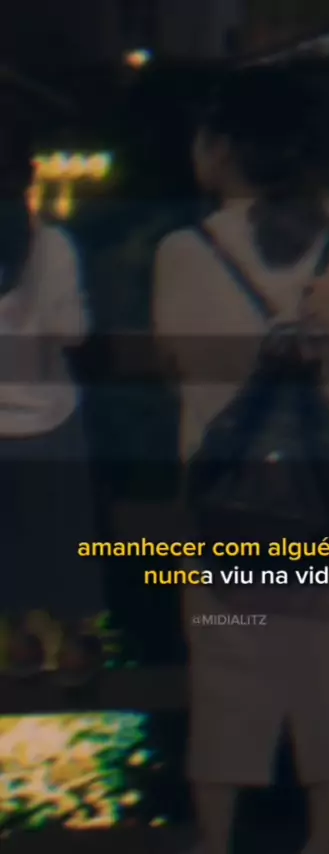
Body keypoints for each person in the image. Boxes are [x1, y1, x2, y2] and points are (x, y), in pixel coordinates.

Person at [153, 68, 329, 854]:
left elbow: (179, 367)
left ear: (224, 149)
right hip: (328, 505)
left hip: (229, 506)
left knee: (229, 669)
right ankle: (322, 842)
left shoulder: (183, 253)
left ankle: (217, 841)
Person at [0, 118, 104, 683]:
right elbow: (72, 331)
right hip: (48, 415)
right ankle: (74, 645)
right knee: (64, 531)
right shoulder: (53, 245)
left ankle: (15, 642)